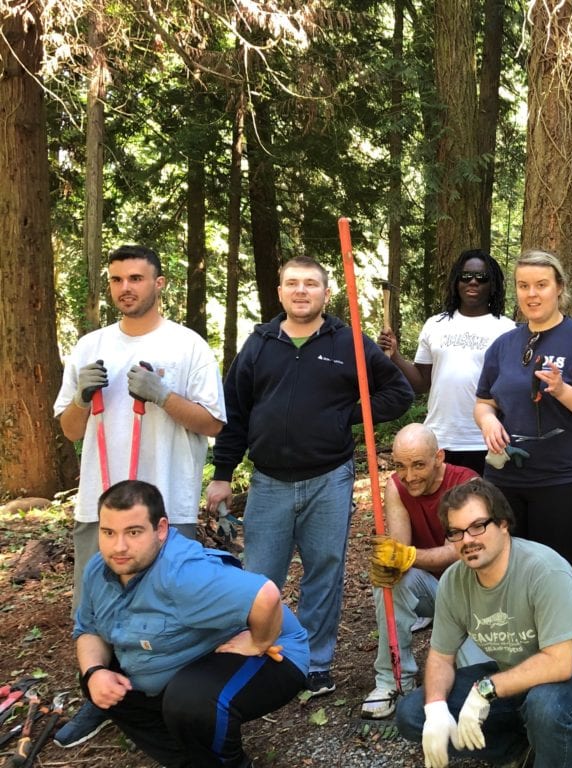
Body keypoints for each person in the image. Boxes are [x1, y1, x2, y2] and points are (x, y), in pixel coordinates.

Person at [206, 256, 414, 698]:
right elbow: (235, 413)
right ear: (280, 292)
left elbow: (399, 392)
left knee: (325, 570)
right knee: (261, 576)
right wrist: (222, 473)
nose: (301, 291)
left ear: (326, 292)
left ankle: (313, 662)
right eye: (292, 284)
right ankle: (262, 651)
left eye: (311, 284)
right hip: (269, 482)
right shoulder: (259, 344)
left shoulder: (348, 342)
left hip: (329, 479)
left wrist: (345, 416)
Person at [53, 244, 226, 747]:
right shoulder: (89, 346)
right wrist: (83, 398)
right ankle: (99, 694)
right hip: (100, 505)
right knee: (96, 602)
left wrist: (162, 395)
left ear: (159, 283)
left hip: (166, 501)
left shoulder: (188, 345)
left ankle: (172, 697)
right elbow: (68, 430)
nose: (125, 288)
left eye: (136, 278)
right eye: (116, 279)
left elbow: (213, 421)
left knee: (174, 600)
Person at [74, 480, 309, 768]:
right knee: (100, 679)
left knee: (189, 700)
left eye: (133, 532)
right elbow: (88, 629)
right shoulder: (98, 569)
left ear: (160, 530)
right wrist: (94, 672)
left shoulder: (184, 573)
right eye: (108, 532)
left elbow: (266, 595)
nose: (118, 546)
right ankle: (191, 760)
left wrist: (258, 641)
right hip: (186, 658)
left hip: (275, 651)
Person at [395, 477, 572, 768]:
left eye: (478, 526)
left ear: (503, 524)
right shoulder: (455, 580)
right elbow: (440, 656)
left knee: (546, 707)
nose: (467, 540)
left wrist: (485, 690)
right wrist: (437, 706)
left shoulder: (544, 571)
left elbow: (559, 664)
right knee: (414, 713)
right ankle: (519, 751)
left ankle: (551, 751)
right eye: (456, 532)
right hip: (513, 684)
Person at [474, 250, 572, 574]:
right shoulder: (504, 345)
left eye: (541, 284)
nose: (532, 294)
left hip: (564, 484)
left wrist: (563, 390)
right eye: (523, 285)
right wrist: (487, 422)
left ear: (559, 288)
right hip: (505, 480)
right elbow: (485, 402)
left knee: (556, 577)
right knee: (506, 575)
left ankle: (559, 628)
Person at [362, 423, 488, 719]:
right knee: (390, 581)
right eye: (401, 466)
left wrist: (404, 556)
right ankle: (393, 680)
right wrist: (391, 561)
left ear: (439, 458)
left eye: (418, 465)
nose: (409, 476)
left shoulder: (467, 484)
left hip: (476, 599)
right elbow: (401, 552)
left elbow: (459, 552)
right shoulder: (397, 485)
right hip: (435, 592)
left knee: (476, 683)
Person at [378, 250, 515, 475]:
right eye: (465, 276)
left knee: (482, 508)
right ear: (455, 282)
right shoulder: (435, 325)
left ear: (493, 285)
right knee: (444, 508)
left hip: (486, 439)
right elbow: (422, 383)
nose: (472, 281)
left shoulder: (506, 329)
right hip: (440, 438)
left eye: (482, 278)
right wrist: (394, 355)